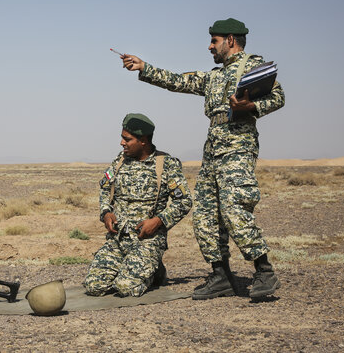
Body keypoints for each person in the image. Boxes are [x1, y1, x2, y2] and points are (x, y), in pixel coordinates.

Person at [120, 18, 285, 299]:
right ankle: (220, 276)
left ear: (230, 40)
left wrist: (252, 106)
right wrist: (144, 68)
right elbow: (178, 81)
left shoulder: (253, 67)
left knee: (234, 210)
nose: (210, 46)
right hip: (212, 150)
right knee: (206, 215)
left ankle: (264, 271)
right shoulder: (214, 76)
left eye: (214, 41)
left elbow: (279, 97)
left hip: (237, 146)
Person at [83, 113, 192, 297]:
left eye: (127, 139)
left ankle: (155, 271)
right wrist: (106, 212)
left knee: (125, 287)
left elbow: (184, 201)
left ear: (143, 141)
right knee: (94, 287)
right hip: (118, 239)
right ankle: (133, 266)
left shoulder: (166, 164)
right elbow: (104, 188)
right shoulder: (119, 161)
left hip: (146, 241)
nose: (121, 143)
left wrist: (158, 221)